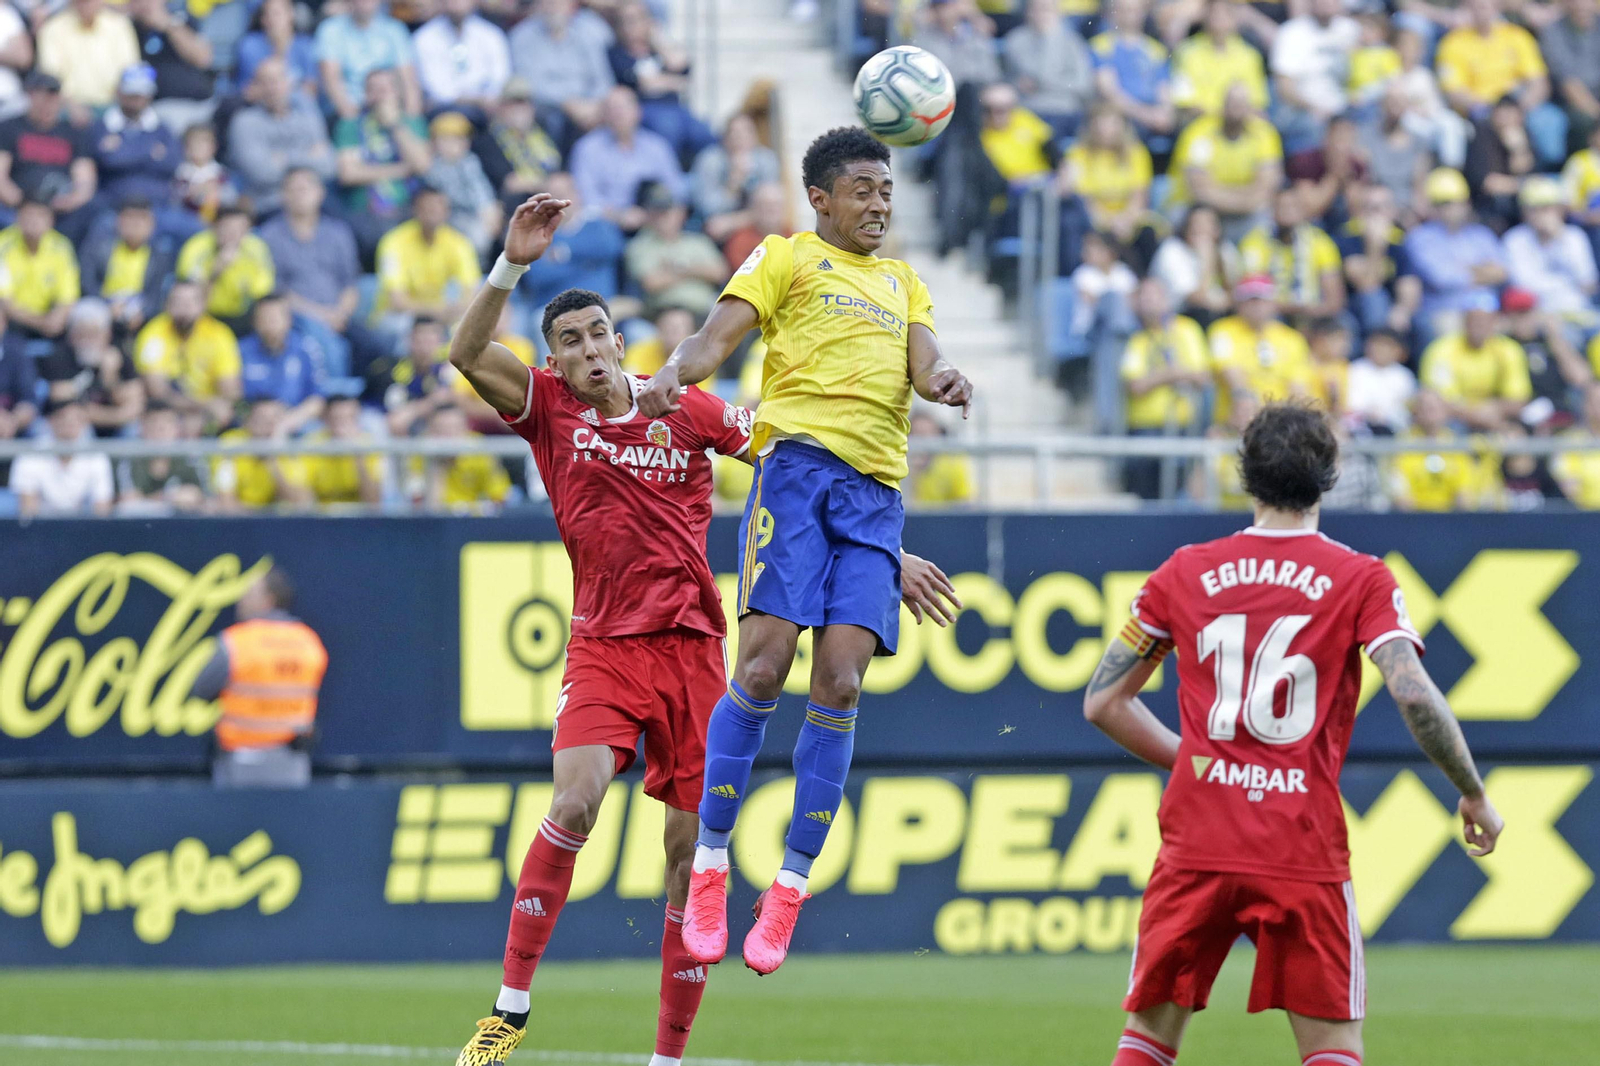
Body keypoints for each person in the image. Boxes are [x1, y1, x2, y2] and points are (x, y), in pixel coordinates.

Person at [444, 193, 963, 1065]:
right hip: (605, 647)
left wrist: (890, 553)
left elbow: (811, 473)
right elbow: (463, 352)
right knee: (574, 802)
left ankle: (668, 1057)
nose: (588, 350)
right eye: (568, 343)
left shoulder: (690, 409)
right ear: (555, 363)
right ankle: (509, 1009)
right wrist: (511, 263)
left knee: (687, 860)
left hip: (693, 653)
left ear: (619, 339)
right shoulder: (546, 410)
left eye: (598, 333)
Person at [637, 126, 975, 973]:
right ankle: (711, 863)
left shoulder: (903, 282)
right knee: (761, 667)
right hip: (793, 475)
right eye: (862, 189)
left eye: (887, 190)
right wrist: (675, 374)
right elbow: (714, 340)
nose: (879, 204)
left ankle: (787, 887)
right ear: (820, 198)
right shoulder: (785, 258)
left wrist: (944, 381)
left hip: (876, 499)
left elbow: (925, 361)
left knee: (843, 679)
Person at [1084, 402, 1503, 1066]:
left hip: (1197, 838)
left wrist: (1197, 761)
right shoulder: (1361, 577)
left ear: (1247, 477)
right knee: (1332, 1049)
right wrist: (1472, 791)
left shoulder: (1183, 571)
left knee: (1147, 1042)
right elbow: (1411, 690)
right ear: (1329, 476)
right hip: (1299, 842)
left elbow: (1104, 702)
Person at [192, 567, 328, 788]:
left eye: (249, 593)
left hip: (241, 761)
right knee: (287, 821)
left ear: (269, 599)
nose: (241, 600)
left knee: (235, 821)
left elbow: (201, 689)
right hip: (291, 762)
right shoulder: (309, 642)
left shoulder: (236, 642)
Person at [1120, 275, 1211, 499]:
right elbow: (1136, 385)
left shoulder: (1187, 330)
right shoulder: (1137, 340)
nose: (1148, 301)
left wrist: (1160, 377)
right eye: (1143, 296)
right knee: (1147, 497)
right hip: (1146, 428)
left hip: (1184, 426)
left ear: (1167, 300)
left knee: (1182, 496)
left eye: (1154, 295)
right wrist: (1171, 373)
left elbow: (1202, 376)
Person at [334, 66, 432, 258]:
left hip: (409, 206)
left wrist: (395, 126)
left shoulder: (412, 122)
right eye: (373, 90)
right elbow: (349, 173)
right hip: (366, 209)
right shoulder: (351, 125)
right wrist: (402, 169)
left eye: (384, 89)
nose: (378, 96)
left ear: (397, 92)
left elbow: (422, 165)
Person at [1169, 82, 1284, 244]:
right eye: (1232, 103)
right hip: (1203, 209)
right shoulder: (1199, 133)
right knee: (1195, 221)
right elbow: (1200, 191)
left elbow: (1266, 189)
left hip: (1246, 212)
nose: (1236, 109)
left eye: (1241, 104)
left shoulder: (1264, 134)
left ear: (1250, 107)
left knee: (1266, 220)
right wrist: (1247, 198)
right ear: (1222, 105)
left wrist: (1223, 195)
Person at [1403, 167, 1507, 339]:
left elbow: (1501, 273)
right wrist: (1482, 271)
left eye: (1458, 202)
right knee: (1447, 328)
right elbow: (1443, 279)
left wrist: (1464, 270)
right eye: (1445, 203)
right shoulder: (1420, 237)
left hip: (1486, 311)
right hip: (1444, 312)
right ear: (1433, 206)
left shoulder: (1481, 234)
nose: (1453, 208)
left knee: (1516, 327)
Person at [228, 56, 337, 215]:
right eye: (265, 82)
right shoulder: (244, 122)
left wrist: (281, 159)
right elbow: (262, 173)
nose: (272, 88)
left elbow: (329, 166)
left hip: (314, 204)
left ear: (289, 82)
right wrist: (309, 155)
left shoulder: (308, 117)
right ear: (256, 87)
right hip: (268, 205)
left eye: (277, 80)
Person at [569, 86, 685, 231]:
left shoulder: (657, 146)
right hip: (608, 225)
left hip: (654, 222)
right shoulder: (587, 148)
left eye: (623, 108)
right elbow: (586, 198)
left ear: (638, 111)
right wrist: (619, 216)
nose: (618, 114)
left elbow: (676, 188)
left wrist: (652, 214)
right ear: (604, 115)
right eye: (612, 109)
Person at [0, 73, 97, 242]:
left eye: (52, 96)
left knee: (92, 214)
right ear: (30, 95)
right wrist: (23, 203)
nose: (47, 102)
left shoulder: (72, 133)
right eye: (42, 95)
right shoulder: (9, 127)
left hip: (60, 208)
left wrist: (69, 201)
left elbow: (85, 180)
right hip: (16, 205)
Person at [134, 279, 242, 427]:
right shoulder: (153, 334)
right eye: (178, 302)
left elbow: (230, 390)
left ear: (202, 305)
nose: (184, 309)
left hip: (209, 412)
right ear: (167, 305)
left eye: (190, 302)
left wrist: (208, 410)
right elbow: (157, 391)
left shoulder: (219, 334)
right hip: (168, 411)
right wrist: (202, 405)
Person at [374, 187, 482, 328]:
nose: (433, 213)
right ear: (416, 210)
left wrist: (453, 310)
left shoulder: (459, 243)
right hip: (403, 316)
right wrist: (437, 310)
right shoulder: (393, 242)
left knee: (466, 327)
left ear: (446, 211)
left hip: (442, 316)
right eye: (428, 209)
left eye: (438, 208)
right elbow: (397, 301)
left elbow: (471, 291)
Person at [509, 0, 616, 141]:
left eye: (560, 3)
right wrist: (567, 103)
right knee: (553, 119)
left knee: (616, 111)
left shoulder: (590, 31)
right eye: (549, 3)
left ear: (572, 5)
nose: (554, 8)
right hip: (547, 107)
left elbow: (602, 78)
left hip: (589, 106)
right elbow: (529, 83)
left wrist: (594, 106)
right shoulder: (522, 36)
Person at [1238, 185, 1347, 323]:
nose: (1287, 213)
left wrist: (1312, 311)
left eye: (1293, 207)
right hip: (1270, 315)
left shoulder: (1320, 242)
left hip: (1311, 314)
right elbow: (1252, 294)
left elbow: (1334, 299)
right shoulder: (1254, 242)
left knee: (1341, 323)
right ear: (1271, 211)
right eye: (1282, 207)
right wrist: (1293, 308)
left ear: (1304, 211)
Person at [1418, 302, 1534, 429]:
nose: (1479, 326)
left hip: (1496, 417)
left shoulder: (1509, 350)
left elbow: (1518, 399)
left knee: (1520, 429)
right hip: (1456, 420)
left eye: (1484, 321)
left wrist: (1492, 411)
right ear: (1464, 322)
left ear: (1494, 322)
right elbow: (1438, 399)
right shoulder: (1442, 349)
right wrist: (1479, 415)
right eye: (1474, 321)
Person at [40, 298, 144, 436]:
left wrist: (110, 377)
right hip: (75, 426)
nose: (87, 340)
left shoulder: (118, 356)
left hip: (115, 424)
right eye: (81, 333)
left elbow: (135, 405)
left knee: (133, 429)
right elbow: (63, 404)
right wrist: (116, 416)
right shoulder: (61, 356)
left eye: (93, 333)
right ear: (71, 335)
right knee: (79, 430)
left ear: (107, 335)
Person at [625, 181, 728, 317]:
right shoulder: (640, 245)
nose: (663, 217)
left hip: (703, 310)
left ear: (681, 213)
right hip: (662, 313)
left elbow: (720, 273)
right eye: (657, 211)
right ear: (649, 214)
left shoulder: (698, 241)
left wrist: (677, 268)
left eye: (668, 210)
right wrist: (697, 270)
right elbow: (652, 282)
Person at [1269, 0, 1359, 152]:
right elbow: (1284, 87)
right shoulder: (1292, 32)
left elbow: (1360, 71)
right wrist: (1314, 108)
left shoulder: (1350, 30)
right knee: (1311, 127)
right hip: (1303, 111)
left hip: (1344, 108)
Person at [1503, 176, 1600, 314]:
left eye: (1547, 208)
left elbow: (1588, 283)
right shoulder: (1514, 240)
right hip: (1536, 314)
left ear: (1559, 210)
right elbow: (1521, 285)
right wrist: (1565, 284)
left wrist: (1559, 238)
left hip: (1578, 311)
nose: (1541, 214)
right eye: (1534, 209)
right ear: (1524, 212)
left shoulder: (1574, 237)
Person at [315, 0, 421, 121]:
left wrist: (412, 119)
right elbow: (331, 80)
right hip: (346, 113)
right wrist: (353, 120)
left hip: (390, 109)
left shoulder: (395, 30)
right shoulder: (330, 30)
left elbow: (408, 81)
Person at [8, 397, 114, 517]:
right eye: (63, 417)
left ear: (85, 422)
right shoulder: (30, 454)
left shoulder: (97, 456)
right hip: (42, 529)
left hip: (84, 530)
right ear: (50, 420)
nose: (70, 424)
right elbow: (28, 511)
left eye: (77, 418)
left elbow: (102, 510)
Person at [1089, 0, 1176, 144]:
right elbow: (1109, 93)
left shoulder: (1156, 49)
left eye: (1134, 10)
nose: (1130, 15)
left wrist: (1165, 114)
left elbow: (1164, 91)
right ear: (1114, 12)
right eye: (1124, 9)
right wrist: (1147, 116)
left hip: (1152, 116)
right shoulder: (1101, 46)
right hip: (1123, 115)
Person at [1002, 0, 1094, 135]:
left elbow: (1083, 84)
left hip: (1064, 110)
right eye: (1036, 9)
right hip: (1027, 110)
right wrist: (1017, 85)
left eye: (1046, 9)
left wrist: (1049, 38)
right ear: (1028, 12)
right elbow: (1006, 80)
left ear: (1057, 13)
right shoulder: (1015, 41)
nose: (1041, 14)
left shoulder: (1073, 42)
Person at [0, 199, 80, 353]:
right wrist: (41, 322)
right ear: (18, 217)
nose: (34, 221)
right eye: (28, 215)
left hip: (51, 320)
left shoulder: (61, 246)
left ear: (51, 220)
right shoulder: (3, 244)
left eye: (40, 215)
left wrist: (56, 319)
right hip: (13, 320)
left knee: (86, 314)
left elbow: (68, 296)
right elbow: (5, 302)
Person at [176, 205, 276, 330]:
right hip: (205, 316)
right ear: (215, 227)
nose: (234, 235)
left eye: (240, 229)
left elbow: (263, 292)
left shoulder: (256, 248)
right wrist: (215, 273)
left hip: (244, 316)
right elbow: (189, 297)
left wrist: (245, 286)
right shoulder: (196, 248)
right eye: (228, 228)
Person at [239, 292, 325, 434]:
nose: (270, 323)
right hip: (252, 423)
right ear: (254, 321)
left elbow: (317, 400)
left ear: (289, 319)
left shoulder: (307, 348)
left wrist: (287, 423)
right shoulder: (241, 351)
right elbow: (233, 397)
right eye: (264, 318)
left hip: (295, 422)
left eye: (274, 318)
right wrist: (256, 419)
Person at [35, 0, 140, 116]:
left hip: (115, 104)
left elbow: (130, 71)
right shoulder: (52, 29)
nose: (86, 4)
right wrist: (71, 105)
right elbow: (51, 78)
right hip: (68, 107)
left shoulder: (120, 25)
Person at [1171, 0, 1267, 123]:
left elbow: (1257, 104)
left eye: (1225, 13)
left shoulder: (1250, 56)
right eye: (1214, 13)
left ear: (1235, 17)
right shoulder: (1186, 53)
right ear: (1204, 15)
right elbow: (1185, 103)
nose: (1219, 18)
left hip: (1240, 126)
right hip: (1200, 125)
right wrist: (1222, 117)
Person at [425, 111, 502, 255]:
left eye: (459, 139)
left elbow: (481, 190)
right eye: (446, 139)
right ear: (434, 143)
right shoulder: (433, 167)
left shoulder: (470, 161)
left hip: (471, 216)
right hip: (446, 218)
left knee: (484, 233)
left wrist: (489, 209)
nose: (453, 145)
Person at [413, 0, 511, 112]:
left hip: (489, 107)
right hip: (445, 109)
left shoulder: (491, 35)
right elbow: (435, 89)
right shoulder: (424, 38)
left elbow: (501, 78)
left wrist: (488, 98)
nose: (456, 3)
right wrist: (472, 100)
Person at [1347, 327, 1418, 435]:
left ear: (1399, 350)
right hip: (1361, 428)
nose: (1381, 349)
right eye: (1377, 344)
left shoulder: (1404, 376)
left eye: (1387, 346)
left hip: (1395, 429)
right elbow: (1351, 405)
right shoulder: (1354, 370)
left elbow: (1407, 410)